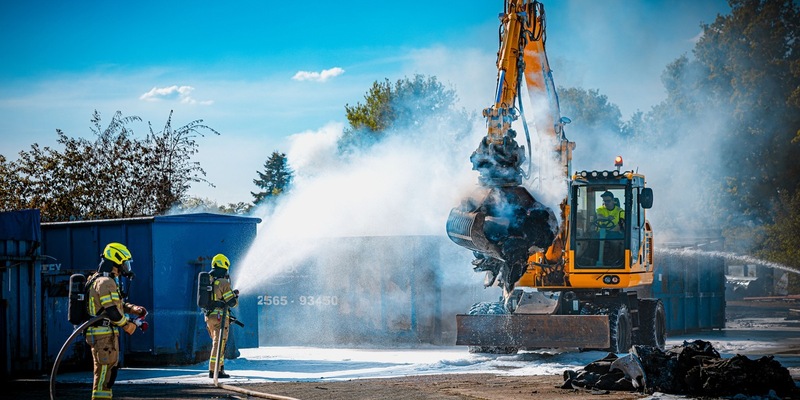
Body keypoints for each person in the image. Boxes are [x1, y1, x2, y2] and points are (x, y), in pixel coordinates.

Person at [85, 242, 147, 400]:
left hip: (106, 335)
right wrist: (128, 326)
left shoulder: (106, 280)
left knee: (108, 376)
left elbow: (115, 305)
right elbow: (112, 312)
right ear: (116, 261)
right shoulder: (105, 282)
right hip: (103, 336)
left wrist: (133, 309)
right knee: (104, 375)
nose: (127, 267)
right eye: (125, 263)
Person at [204, 253, 239, 378]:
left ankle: (220, 369)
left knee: (219, 343)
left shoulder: (208, 279)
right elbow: (232, 303)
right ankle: (214, 371)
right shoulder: (223, 282)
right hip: (220, 317)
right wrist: (235, 296)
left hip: (208, 317)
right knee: (218, 344)